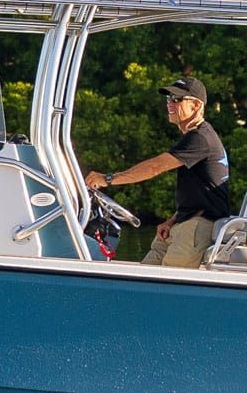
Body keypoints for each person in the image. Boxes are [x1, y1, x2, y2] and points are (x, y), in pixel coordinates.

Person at [82, 77, 234, 268]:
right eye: (169, 98)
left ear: (195, 106)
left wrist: (108, 179)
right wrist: (172, 221)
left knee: (166, 287)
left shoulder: (200, 138)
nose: (170, 103)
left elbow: (155, 168)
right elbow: (200, 193)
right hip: (182, 225)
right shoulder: (195, 137)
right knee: (145, 277)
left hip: (196, 228)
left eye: (177, 99)